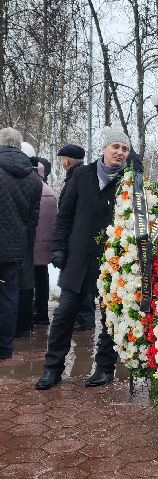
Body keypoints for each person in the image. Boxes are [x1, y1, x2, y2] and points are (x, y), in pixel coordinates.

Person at [35, 127, 131, 390]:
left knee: (110, 318)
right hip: (78, 258)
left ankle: (104, 367)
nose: (119, 152)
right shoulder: (82, 175)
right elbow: (64, 215)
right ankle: (53, 368)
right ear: (104, 148)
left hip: (112, 262)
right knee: (64, 314)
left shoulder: (130, 181)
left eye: (124, 149)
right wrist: (58, 247)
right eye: (115, 146)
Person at [0, 128, 42, 359]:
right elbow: (32, 219)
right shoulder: (33, 179)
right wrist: (26, 246)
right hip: (16, 249)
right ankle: (5, 347)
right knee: (9, 295)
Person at [57, 143, 94, 329]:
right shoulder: (76, 177)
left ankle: (85, 317)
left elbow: (68, 210)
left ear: (67, 160)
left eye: (62, 159)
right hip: (76, 235)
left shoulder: (77, 178)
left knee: (80, 278)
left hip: (77, 236)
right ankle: (83, 316)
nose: (62, 162)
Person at [32, 159, 57, 326]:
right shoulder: (50, 192)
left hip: (30, 244)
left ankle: (31, 313)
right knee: (42, 278)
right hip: (45, 245)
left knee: (28, 280)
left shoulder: (30, 188)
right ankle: (42, 315)